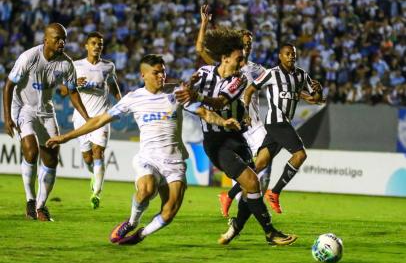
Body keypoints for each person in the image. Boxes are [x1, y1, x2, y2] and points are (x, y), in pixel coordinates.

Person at [46, 54, 240, 245]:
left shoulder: (177, 93)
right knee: (146, 189)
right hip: (149, 158)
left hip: (175, 162)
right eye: (156, 73)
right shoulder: (133, 98)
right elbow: (99, 120)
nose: (161, 77)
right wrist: (65, 137)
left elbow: (205, 113)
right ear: (143, 76)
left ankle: (140, 235)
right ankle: (131, 222)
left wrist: (224, 122)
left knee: (170, 211)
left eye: (163, 72)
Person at [175, 28, 297, 246]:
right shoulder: (203, 73)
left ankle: (235, 228)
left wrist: (197, 94)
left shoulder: (239, 80)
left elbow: (220, 102)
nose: (242, 63)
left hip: (237, 137)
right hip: (216, 142)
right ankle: (270, 233)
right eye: (238, 59)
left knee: (252, 186)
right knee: (251, 182)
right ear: (224, 58)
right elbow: (188, 93)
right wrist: (188, 87)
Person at [2, 23, 89, 221]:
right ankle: (30, 201)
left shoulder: (66, 64)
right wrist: (7, 117)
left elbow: (72, 92)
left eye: (64, 39)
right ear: (46, 40)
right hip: (24, 108)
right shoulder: (29, 57)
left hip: (47, 111)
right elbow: (8, 86)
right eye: (58, 38)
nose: (62, 42)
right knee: (31, 151)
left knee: (51, 158)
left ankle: (41, 206)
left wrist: (88, 119)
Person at [195, 5, 271, 218]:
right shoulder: (226, 65)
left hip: (253, 124)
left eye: (249, 44)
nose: (246, 48)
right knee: (252, 175)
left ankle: (230, 197)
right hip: (231, 125)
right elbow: (201, 50)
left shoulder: (255, 70)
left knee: (261, 170)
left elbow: (277, 82)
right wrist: (204, 24)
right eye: (243, 44)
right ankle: (238, 215)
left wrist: (304, 94)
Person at [244, 43, 323, 214]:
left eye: (293, 54)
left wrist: (319, 91)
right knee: (300, 154)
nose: (291, 56)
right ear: (280, 56)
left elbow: (315, 99)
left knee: (260, 164)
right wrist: (245, 111)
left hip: (283, 122)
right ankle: (275, 192)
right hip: (275, 122)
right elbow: (249, 90)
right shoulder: (271, 73)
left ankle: (228, 195)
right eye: (287, 54)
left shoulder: (302, 75)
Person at [60, 31, 122, 209]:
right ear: (86, 46)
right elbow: (63, 91)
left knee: (98, 153)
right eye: (93, 43)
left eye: (100, 44)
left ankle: (96, 193)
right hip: (81, 119)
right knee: (87, 157)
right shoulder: (75, 65)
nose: (97, 46)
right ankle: (93, 175)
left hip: (101, 117)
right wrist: (73, 85)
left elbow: (113, 86)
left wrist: (123, 102)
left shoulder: (108, 66)